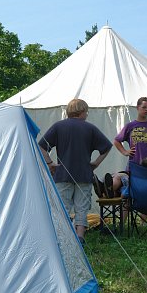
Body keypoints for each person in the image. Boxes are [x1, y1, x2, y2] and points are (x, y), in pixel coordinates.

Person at [38, 99, 112, 244]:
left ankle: (62, 238)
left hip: (62, 175)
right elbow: (107, 147)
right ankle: (80, 237)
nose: (87, 114)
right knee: (82, 207)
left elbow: (41, 147)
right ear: (82, 111)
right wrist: (96, 163)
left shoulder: (58, 126)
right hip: (84, 174)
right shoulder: (90, 128)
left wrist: (50, 163)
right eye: (86, 112)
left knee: (63, 208)